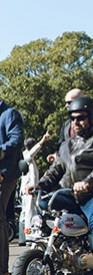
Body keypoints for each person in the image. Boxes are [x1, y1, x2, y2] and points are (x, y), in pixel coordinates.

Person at [28, 96, 93, 275]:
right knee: (44, 203)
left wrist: (88, 182)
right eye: (72, 118)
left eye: (81, 118)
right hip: (73, 194)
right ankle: (64, 251)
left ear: (92, 117)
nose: (75, 122)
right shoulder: (65, 146)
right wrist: (39, 186)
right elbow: (54, 171)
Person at [0, 100, 23, 275]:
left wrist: (1, 149)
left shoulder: (10, 114)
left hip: (4, 174)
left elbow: (16, 140)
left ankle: (2, 269)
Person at [18, 132, 50, 246]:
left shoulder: (30, 159)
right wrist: (43, 140)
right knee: (29, 213)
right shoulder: (27, 156)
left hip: (32, 190)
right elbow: (33, 152)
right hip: (28, 191)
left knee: (31, 212)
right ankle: (28, 236)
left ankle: (28, 235)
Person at [46, 88, 85, 163]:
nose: (66, 105)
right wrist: (56, 155)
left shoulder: (91, 124)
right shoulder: (66, 124)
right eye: (66, 103)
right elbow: (61, 144)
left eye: (69, 102)